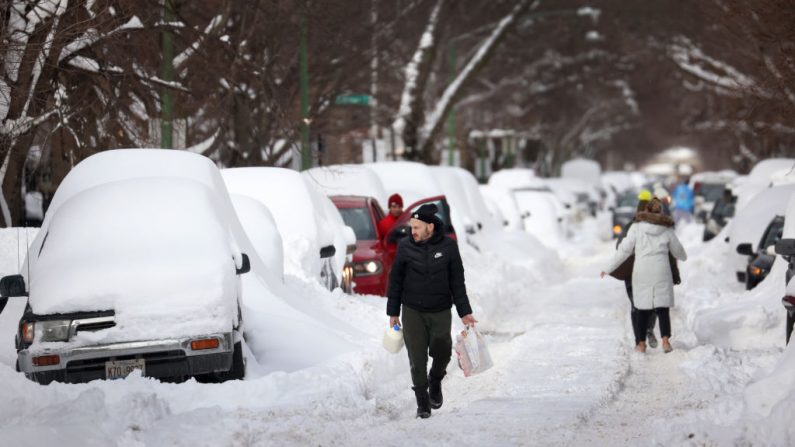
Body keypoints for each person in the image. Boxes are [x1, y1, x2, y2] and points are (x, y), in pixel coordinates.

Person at [386, 203, 477, 418]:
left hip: (440, 310)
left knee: (442, 352)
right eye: (411, 227)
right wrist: (393, 312)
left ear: (430, 227)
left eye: (417, 227)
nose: (413, 231)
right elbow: (396, 280)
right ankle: (422, 403)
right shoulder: (405, 247)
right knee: (416, 359)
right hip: (412, 310)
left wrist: (464, 311)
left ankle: (435, 380)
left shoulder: (448, 246)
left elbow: (457, 282)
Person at [601, 198, 687, 353]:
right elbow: (678, 251)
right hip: (661, 271)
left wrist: (608, 268)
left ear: (645, 211)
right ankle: (666, 342)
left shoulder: (636, 228)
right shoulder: (667, 229)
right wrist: (683, 256)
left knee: (641, 308)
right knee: (662, 308)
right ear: (660, 211)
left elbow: (624, 250)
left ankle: (641, 344)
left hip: (642, 271)